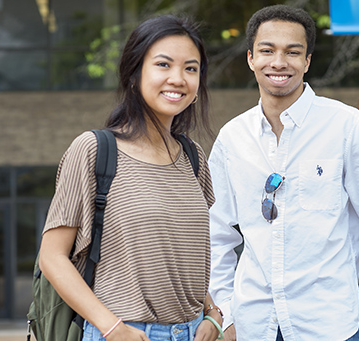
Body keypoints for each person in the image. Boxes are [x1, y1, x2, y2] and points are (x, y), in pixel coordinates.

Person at [208, 5, 359, 341]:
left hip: (329, 327)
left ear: (307, 61)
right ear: (250, 58)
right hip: (253, 326)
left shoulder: (347, 127)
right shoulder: (233, 137)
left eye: (292, 52)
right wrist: (226, 314)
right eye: (267, 50)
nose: (279, 62)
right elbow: (216, 235)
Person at [38, 15, 223, 341]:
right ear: (135, 74)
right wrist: (112, 328)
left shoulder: (193, 157)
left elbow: (183, 258)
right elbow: (52, 257)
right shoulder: (94, 150)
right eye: (163, 65)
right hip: (122, 332)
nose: (178, 78)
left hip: (195, 332)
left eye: (191, 68)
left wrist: (212, 314)